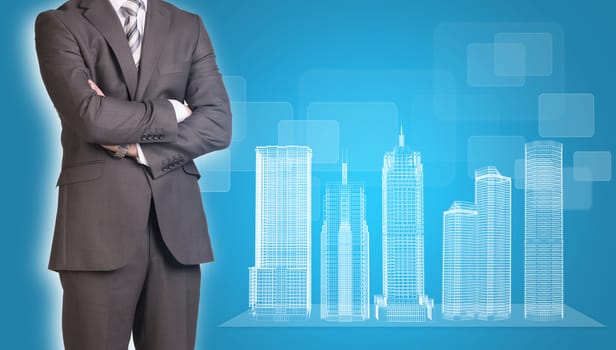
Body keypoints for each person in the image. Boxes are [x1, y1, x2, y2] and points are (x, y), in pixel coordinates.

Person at [34, 0, 231, 348]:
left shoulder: (189, 25)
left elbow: (217, 124)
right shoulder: (59, 24)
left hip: (177, 231)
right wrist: (172, 110)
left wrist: (135, 147)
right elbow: (91, 117)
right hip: (96, 230)